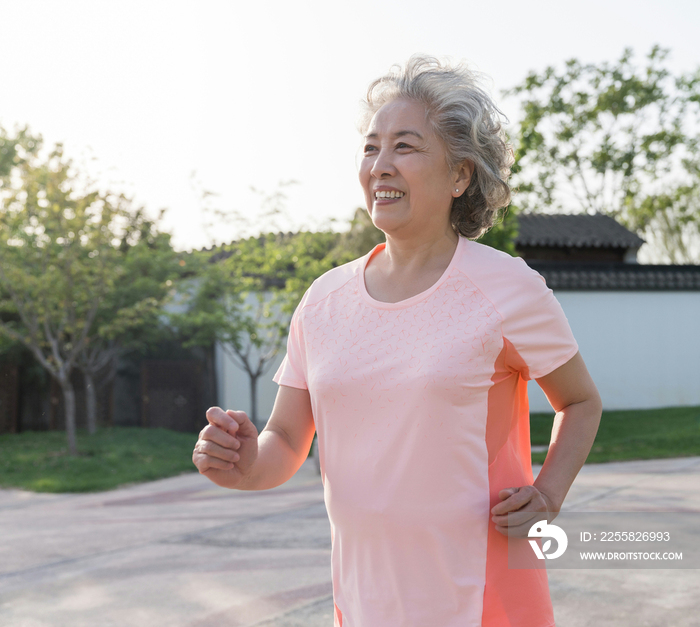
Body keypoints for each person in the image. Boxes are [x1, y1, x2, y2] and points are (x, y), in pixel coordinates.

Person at [193, 55, 602, 627]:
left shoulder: (507, 287)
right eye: (370, 147)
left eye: (405, 147)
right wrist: (242, 464)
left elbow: (580, 401)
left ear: (460, 175)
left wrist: (549, 492)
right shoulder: (324, 299)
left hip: (480, 594)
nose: (381, 165)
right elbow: (286, 438)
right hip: (364, 599)